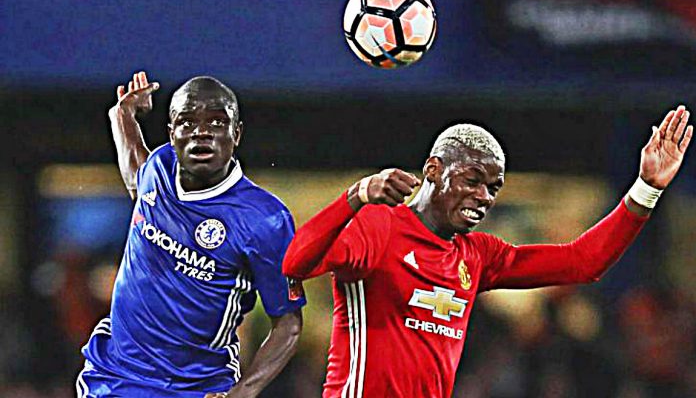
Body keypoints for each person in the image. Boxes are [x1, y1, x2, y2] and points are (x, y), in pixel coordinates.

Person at [282, 106, 692, 398]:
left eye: (493, 188)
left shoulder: (478, 255)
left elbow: (582, 262)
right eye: (473, 180)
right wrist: (356, 196)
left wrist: (647, 188)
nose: (483, 197)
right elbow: (295, 261)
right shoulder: (379, 227)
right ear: (434, 169)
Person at [77, 71, 305, 398]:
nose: (201, 133)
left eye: (217, 122)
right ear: (171, 134)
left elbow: (288, 324)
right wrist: (122, 113)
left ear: (237, 133)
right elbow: (134, 172)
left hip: (197, 386)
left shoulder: (265, 219)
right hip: (117, 376)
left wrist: (242, 393)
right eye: (187, 122)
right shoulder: (159, 168)